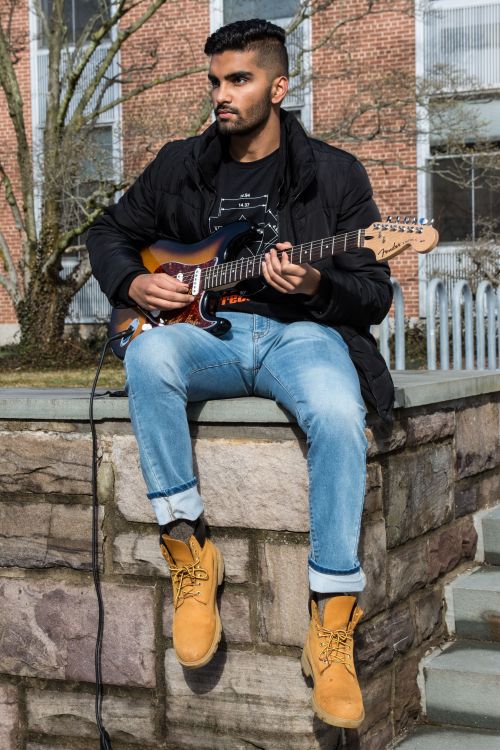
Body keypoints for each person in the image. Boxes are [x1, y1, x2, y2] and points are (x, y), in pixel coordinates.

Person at [87, 18, 394, 729]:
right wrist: (134, 284)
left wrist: (316, 283)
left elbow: (372, 293)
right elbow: (110, 232)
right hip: (204, 339)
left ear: (278, 86)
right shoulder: (180, 165)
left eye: (239, 79)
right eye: (215, 81)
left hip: (302, 335)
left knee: (339, 411)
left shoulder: (335, 173)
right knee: (150, 354)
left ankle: (331, 616)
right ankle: (189, 551)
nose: (221, 95)